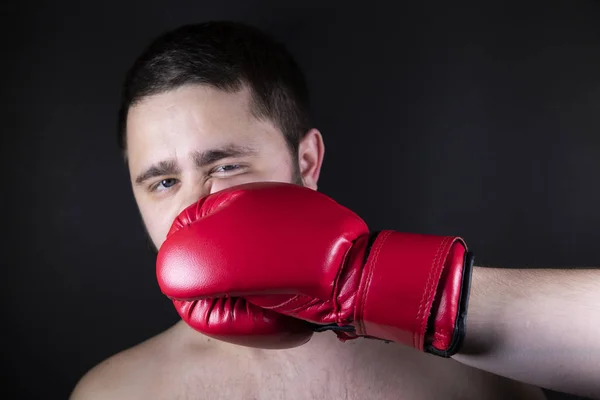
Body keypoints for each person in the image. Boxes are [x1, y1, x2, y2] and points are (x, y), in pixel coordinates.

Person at [70, 21, 599, 400]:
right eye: (162, 182)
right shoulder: (112, 391)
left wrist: (370, 284)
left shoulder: (474, 370)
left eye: (227, 167)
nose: (193, 211)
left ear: (307, 160)